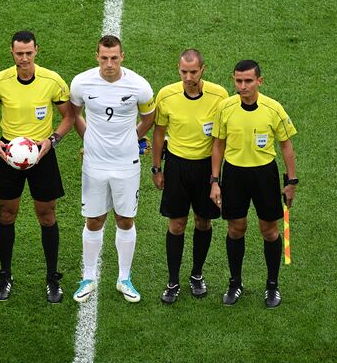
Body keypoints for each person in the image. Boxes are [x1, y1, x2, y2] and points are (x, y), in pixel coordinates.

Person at [0, 30, 74, 303]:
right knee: (7, 214)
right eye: (19, 53)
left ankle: (52, 278)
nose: (24, 58)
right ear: (12, 52)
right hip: (9, 153)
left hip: (41, 154)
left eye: (28, 53)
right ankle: (5, 275)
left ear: (36, 51)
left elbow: (69, 116)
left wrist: (52, 141)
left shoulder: (51, 80)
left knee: (47, 215)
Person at [70, 35, 155, 303]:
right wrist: (89, 140)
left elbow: (148, 117)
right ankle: (88, 277)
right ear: (97, 56)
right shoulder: (81, 82)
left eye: (114, 58)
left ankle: (124, 278)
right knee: (94, 220)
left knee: (125, 219)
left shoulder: (139, 86)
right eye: (104, 58)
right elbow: (75, 115)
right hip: (94, 163)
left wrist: (133, 138)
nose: (109, 64)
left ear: (122, 57)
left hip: (126, 164)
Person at [210, 60, 298, 308]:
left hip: (264, 175)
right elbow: (218, 145)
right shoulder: (226, 108)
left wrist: (291, 182)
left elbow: (286, 146)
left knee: (269, 231)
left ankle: (272, 286)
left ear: (259, 81)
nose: (243, 86)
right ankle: (235, 283)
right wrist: (215, 181)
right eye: (238, 81)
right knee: (236, 229)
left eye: (248, 81)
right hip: (234, 175)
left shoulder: (273, 108)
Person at [152, 49, 229, 304]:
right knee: (176, 224)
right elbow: (158, 133)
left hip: (206, 168)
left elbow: (221, 139)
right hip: (176, 167)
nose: (188, 77)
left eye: (193, 72)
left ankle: (196, 274)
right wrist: (157, 168)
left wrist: (215, 179)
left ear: (203, 70)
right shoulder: (166, 95)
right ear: (178, 69)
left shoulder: (219, 96)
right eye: (183, 72)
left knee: (203, 222)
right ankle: (173, 281)